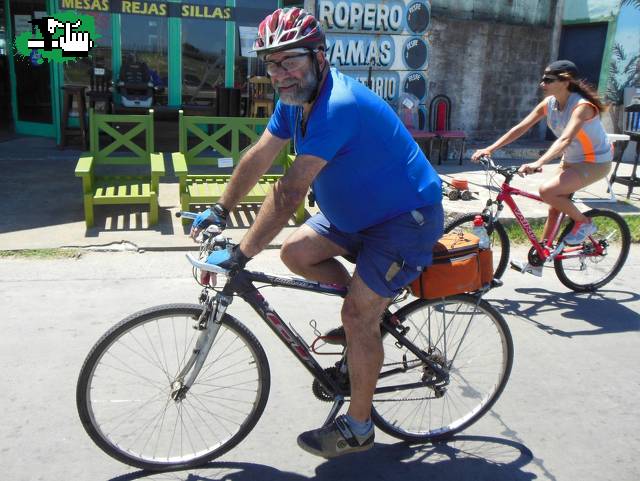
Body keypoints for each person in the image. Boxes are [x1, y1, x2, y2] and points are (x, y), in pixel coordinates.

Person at [190, 7, 443, 458]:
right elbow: (260, 156)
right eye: (271, 63)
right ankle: (371, 314)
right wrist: (220, 207)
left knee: (356, 317)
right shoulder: (296, 103)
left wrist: (241, 255)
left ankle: (360, 425)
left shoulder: (336, 105)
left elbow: (288, 193)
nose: (280, 73)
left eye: (291, 61)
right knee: (295, 253)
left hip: (404, 220)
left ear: (319, 56)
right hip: (356, 215)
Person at [471, 60, 612, 276]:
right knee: (554, 205)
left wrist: (540, 162)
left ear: (566, 82)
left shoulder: (582, 107)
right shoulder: (550, 104)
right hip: (572, 160)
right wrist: (490, 148)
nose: (542, 83)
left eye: (548, 79)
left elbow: (565, 139)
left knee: (548, 191)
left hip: (595, 162)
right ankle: (540, 259)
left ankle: (584, 223)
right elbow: (521, 128)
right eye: (543, 78)